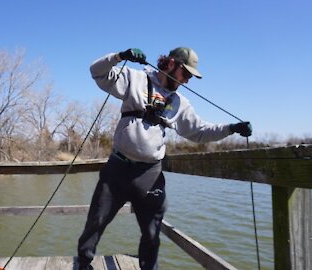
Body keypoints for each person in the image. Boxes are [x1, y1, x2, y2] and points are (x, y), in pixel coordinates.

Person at [77, 47, 252, 270]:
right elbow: (97, 72)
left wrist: (231, 128)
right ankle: (83, 264)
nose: (187, 80)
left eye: (190, 76)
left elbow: (199, 132)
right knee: (96, 222)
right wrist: (120, 57)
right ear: (171, 64)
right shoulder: (135, 78)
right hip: (117, 169)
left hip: (150, 174)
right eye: (185, 73)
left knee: (152, 232)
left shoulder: (181, 104)